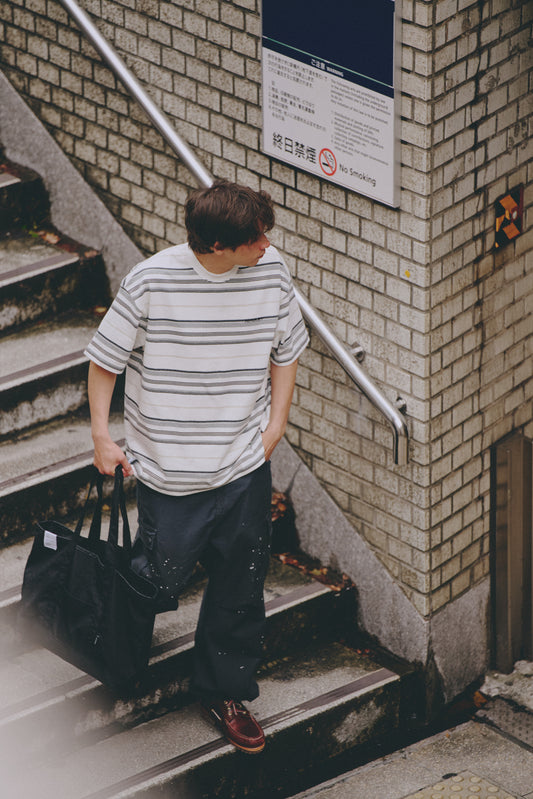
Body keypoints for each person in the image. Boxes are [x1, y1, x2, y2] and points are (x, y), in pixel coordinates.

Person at [84, 180, 309, 754]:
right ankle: (116, 654)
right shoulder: (152, 281)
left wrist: (276, 425)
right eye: (255, 237)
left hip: (241, 469)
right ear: (215, 244)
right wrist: (102, 437)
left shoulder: (271, 269)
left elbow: (287, 350)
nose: (266, 243)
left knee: (241, 585)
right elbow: (105, 362)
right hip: (170, 473)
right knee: (155, 578)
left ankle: (224, 690)